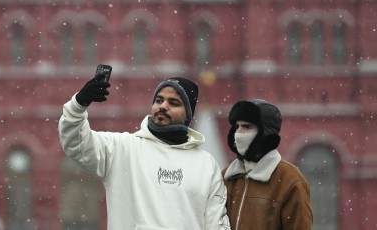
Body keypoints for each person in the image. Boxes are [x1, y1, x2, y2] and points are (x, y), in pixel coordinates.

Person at [58, 73, 230, 230]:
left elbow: (217, 223)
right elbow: (76, 143)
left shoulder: (206, 165)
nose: (163, 106)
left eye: (174, 103)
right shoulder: (123, 149)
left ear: (188, 115)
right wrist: (78, 105)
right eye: (159, 100)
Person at [222, 99, 313, 230]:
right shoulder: (226, 177)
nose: (239, 133)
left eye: (247, 127)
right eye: (237, 127)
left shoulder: (290, 179)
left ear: (265, 133)